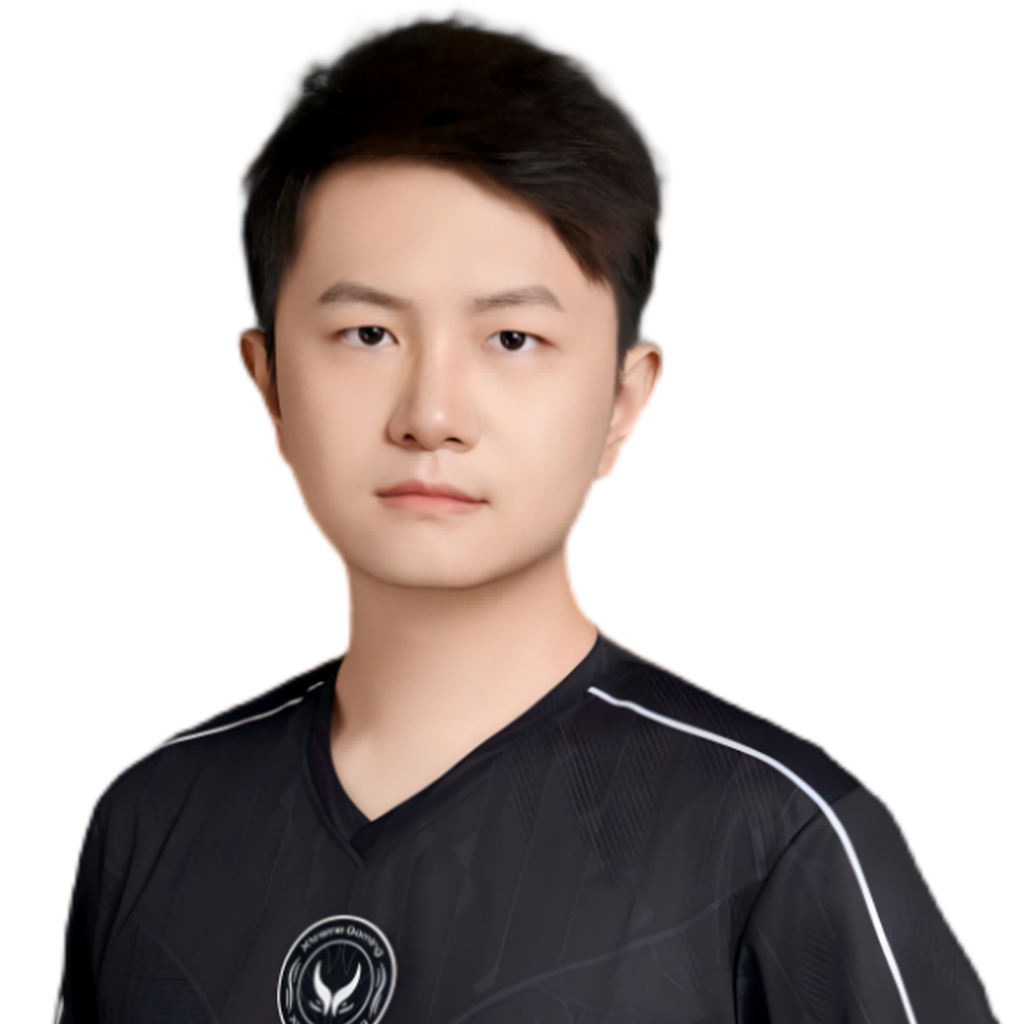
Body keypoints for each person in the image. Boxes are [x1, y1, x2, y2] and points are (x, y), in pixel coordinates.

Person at [57, 11, 1000, 1023]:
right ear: (268, 382)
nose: (430, 415)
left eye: (511, 338)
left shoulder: (775, 838)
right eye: (367, 332)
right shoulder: (153, 821)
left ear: (623, 401)